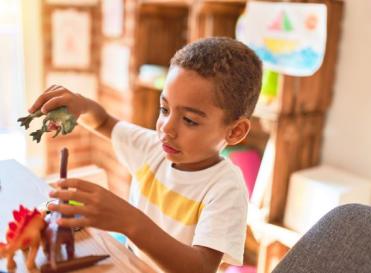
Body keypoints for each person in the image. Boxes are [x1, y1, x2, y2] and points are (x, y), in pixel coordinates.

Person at [29, 37, 262, 273]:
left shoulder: (226, 188)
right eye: (164, 109)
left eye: (190, 120)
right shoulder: (153, 147)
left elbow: (200, 268)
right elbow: (103, 122)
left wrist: (130, 222)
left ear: (235, 131)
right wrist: (81, 104)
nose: (166, 128)